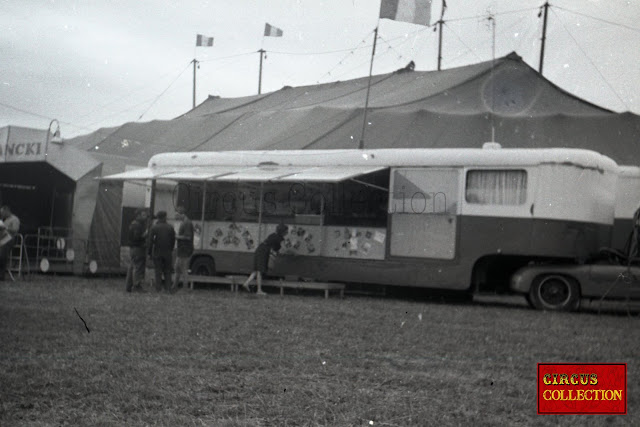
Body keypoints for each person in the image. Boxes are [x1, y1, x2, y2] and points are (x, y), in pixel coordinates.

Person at [243, 223, 288, 295]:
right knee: (260, 271)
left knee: (256, 269)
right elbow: (285, 249)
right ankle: (259, 290)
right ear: (283, 231)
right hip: (264, 252)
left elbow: (275, 247)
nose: (287, 232)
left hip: (260, 249)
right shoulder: (280, 238)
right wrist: (293, 251)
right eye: (286, 231)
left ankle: (246, 283)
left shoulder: (273, 235)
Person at [148, 211, 176, 293]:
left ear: (158, 217)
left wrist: (149, 253)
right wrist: (170, 249)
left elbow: (150, 241)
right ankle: (168, 288)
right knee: (167, 270)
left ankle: (158, 288)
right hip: (167, 252)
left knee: (158, 270)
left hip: (157, 252)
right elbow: (173, 240)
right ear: (165, 217)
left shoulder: (154, 228)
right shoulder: (170, 227)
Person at [125, 208, 149, 292]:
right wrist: (146, 234)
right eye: (143, 215)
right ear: (138, 216)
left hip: (133, 248)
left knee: (132, 267)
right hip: (138, 248)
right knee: (138, 267)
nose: (146, 217)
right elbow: (137, 237)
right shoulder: (138, 225)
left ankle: (128, 286)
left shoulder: (133, 223)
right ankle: (136, 286)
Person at [172, 206, 194, 292]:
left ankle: (185, 288)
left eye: (177, 214)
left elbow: (188, 237)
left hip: (185, 249)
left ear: (181, 214)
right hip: (182, 249)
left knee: (183, 269)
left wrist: (176, 236)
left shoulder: (186, 223)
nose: (175, 216)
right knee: (177, 268)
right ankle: (174, 286)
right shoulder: (184, 222)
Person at [0, 206, 20, 281]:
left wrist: (5, 228)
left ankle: (1, 275)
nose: (1, 214)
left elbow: (15, 230)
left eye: (2, 213)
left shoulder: (14, 219)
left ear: (7, 211)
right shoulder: (5, 220)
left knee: (2, 254)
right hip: (2, 239)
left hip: (10, 239)